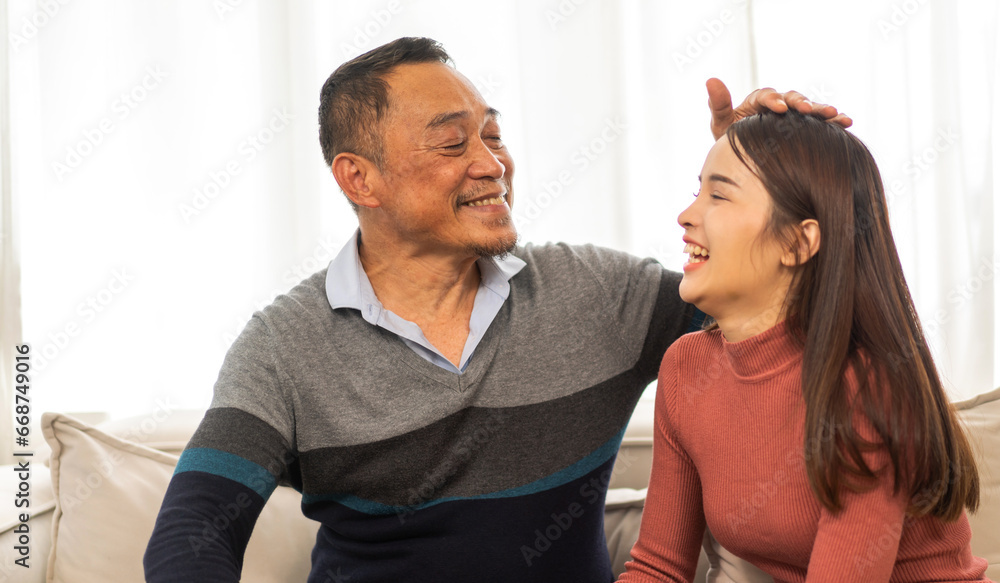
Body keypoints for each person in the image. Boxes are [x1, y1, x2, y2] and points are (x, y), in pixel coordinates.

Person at [143, 37, 848, 582]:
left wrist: (772, 187)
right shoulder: (285, 346)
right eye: (454, 142)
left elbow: (801, 321)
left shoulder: (597, 295)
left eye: (493, 134)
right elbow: (194, 532)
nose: (492, 163)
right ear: (359, 178)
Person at [618, 111, 991, 582]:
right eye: (697, 192)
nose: (686, 215)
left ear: (797, 242)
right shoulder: (686, 367)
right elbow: (657, 567)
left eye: (718, 195)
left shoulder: (866, 388)